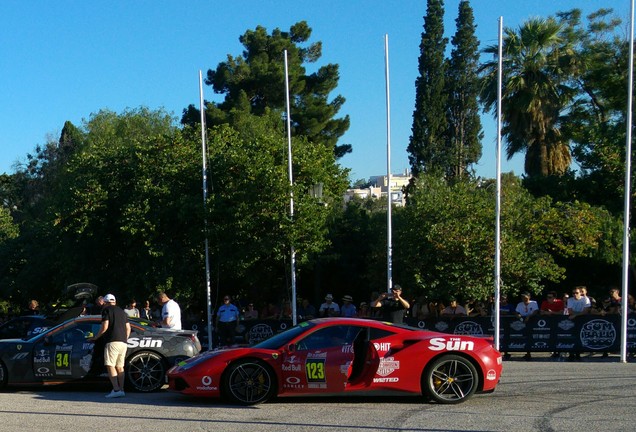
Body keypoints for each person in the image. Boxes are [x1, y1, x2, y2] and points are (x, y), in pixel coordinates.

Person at [90, 293, 131, 398]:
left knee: (110, 365)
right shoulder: (122, 311)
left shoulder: (106, 310)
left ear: (105, 302)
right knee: (120, 367)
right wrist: (124, 338)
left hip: (112, 341)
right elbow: (128, 328)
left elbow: (105, 326)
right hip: (123, 342)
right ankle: (121, 389)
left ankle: (116, 390)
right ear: (115, 301)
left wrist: (95, 337)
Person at [515, 292, 539, 361]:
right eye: (522, 297)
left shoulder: (534, 303)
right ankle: (526, 351)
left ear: (529, 297)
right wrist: (519, 316)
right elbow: (516, 312)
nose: (524, 299)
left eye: (525, 297)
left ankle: (529, 351)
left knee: (530, 336)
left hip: (532, 322)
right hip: (523, 322)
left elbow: (536, 311)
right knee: (523, 336)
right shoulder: (520, 304)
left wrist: (529, 316)